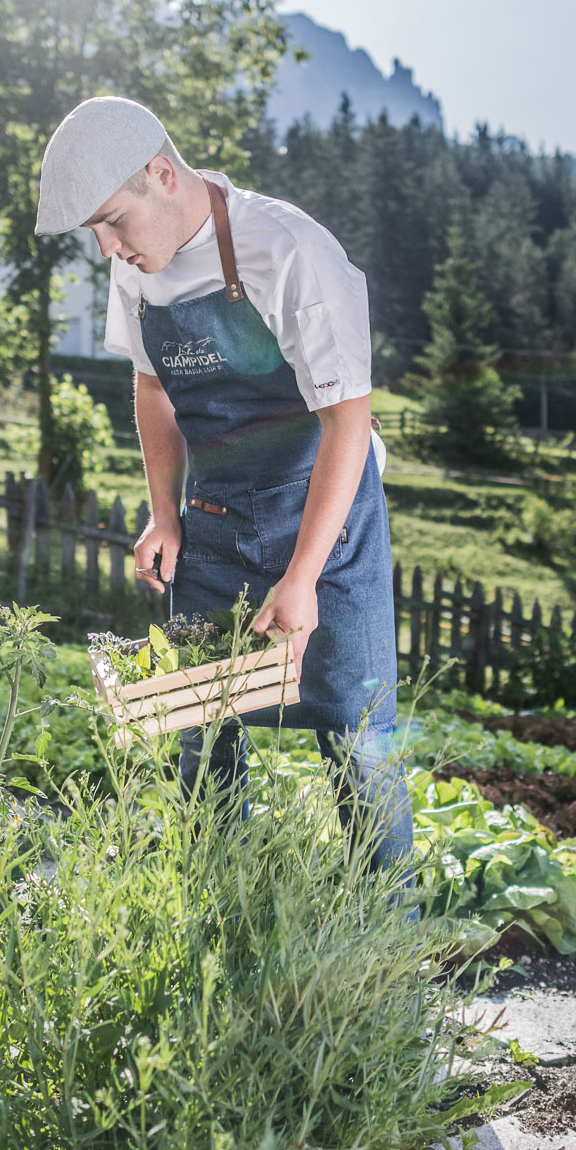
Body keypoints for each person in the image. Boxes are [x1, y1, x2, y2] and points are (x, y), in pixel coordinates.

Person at [35, 96, 410, 870]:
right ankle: (219, 899)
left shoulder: (290, 250)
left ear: (162, 175)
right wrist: (164, 515)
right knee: (199, 728)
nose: (107, 248)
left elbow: (347, 420)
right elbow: (152, 391)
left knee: (358, 733)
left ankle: (387, 934)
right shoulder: (137, 267)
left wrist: (302, 577)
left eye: (112, 221)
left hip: (325, 521)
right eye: (93, 233)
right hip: (215, 515)